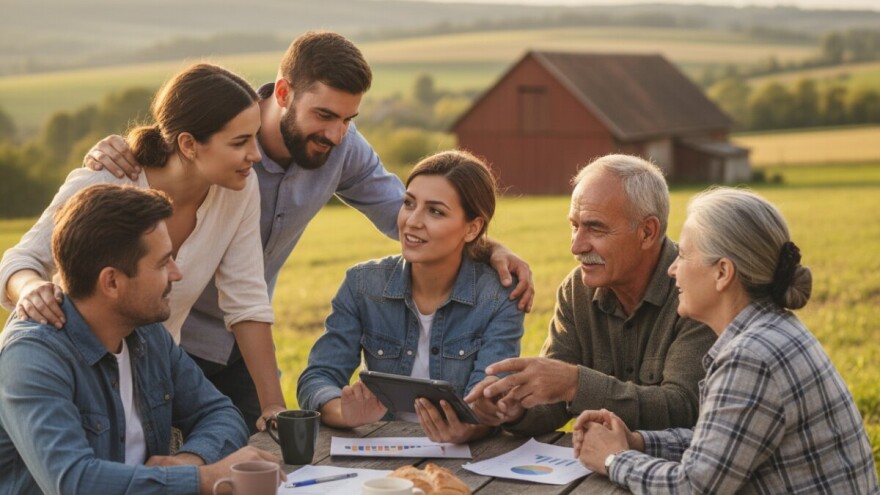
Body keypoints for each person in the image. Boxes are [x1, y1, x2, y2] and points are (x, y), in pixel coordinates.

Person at [83, 31, 534, 430]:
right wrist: (116, 153)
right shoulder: (225, 146)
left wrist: (486, 245)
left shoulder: (341, 147)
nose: (337, 134)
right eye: (324, 115)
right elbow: (168, 148)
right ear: (283, 92)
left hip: (246, 341)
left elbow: (409, 215)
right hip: (173, 333)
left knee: (260, 455)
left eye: (348, 120)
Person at [0, 63, 286, 433]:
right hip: (68, 378)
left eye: (255, 138)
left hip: (150, 381)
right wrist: (32, 289)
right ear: (187, 144)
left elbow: (246, 299)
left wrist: (275, 408)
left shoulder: (240, 189)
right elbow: (19, 261)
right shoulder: (108, 181)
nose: (256, 155)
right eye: (239, 142)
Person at [572, 187, 879, 493]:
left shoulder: (751, 358)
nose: (672, 269)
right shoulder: (771, 331)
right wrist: (639, 441)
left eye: (683, 255)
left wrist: (614, 458)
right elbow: (723, 443)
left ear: (722, 272)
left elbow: (693, 487)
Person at [0, 184, 282, 495]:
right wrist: (203, 479)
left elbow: (220, 413)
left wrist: (190, 460)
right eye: (163, 263)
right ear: (111, 281)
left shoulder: (147, 334)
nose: (177, 274)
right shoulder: (32, 358)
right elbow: (73, 482)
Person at [465, 154, 716, 434]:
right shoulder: (576, 290)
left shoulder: (696, 289)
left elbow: (684, 407)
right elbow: (554, 399)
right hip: (598, 468)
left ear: (647, 232)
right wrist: (514, 409)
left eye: (595, 228)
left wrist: (576, 384)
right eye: (574, 226)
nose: (576, 246)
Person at [297, 150, 524, 444]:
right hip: (379, 450)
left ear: (472, 228)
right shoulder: (362, 285)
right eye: (409, 203)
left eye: (436, 211)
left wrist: (469, 428)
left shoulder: (498, 297)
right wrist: (342, 412)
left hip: (470, 457)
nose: (412, 221)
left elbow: (490, 394)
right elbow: (316, 377)